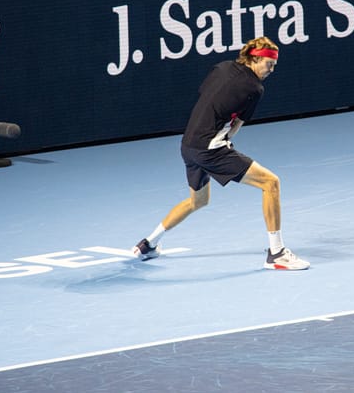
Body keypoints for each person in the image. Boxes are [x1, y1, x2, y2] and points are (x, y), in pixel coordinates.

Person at [131, 37, 310, 270]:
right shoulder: (254, 88)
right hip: (210, 149)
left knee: (198, 201)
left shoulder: (222, 67)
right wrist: (223, 142)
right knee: (271, 183)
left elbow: (207, 96)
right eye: (269, 64)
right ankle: (277, 254)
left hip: (188, 145)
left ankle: (148, 244)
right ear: (255, 59)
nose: (272, 70)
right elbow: (235, 127)